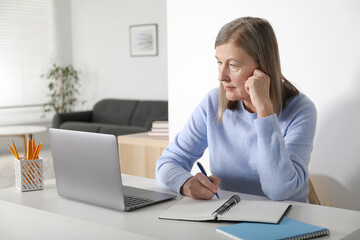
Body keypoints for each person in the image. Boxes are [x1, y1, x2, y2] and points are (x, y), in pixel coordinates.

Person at [156, 17, 317, 203]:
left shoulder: (301, 110)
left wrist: (264, 111)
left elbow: (279, 191)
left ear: (262, 69)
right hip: (229, 216)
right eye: (219, 62)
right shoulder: (213, 103)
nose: (221, 76)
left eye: (233, 65)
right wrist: (186, 183)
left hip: (287, 219)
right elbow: (167, 162)